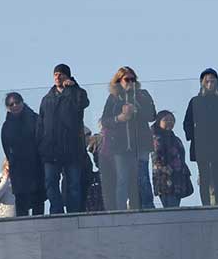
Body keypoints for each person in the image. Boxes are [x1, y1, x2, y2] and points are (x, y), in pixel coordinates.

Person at [100, 66, 156, 210]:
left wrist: (136, 109)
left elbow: (152, 115)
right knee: (122, 179)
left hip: (141, 144)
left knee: (143, 177)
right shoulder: (113, 98)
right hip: (120, 146)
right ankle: (121, 211)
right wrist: (119, 118)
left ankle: (147, 207)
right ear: (119, 81)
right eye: (127, 79)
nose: (130, 82)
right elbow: (105, 121)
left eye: (133, 79)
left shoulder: (142, 95)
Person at [37, 64, 90, 214]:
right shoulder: (47, 99)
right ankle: (57, 211)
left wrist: (73, 87)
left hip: (72, 148)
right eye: (55, 74)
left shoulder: (76, 93)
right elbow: (40, 123)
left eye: (61, 74)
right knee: (50, 182)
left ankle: (74, 213)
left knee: (73, 184)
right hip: (50, 149)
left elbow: (83, 103)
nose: (57, 77)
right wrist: (40, 145)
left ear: (67, 76)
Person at [183, 68, 218, 206]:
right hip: (201, 145)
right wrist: (193, 137)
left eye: (213, 81)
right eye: (207, 81)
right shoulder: (195, 101)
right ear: (202, 83)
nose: (210, 84)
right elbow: (187, 122)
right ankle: (205, 205)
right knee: (204, 176)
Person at [0, 92, 44, 216]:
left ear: (22, 102)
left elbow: (42, 139)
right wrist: (12, 160)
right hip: (18, 168)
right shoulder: (7, 125)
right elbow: (6, 146)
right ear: (8, 107)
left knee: (38, 201)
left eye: (17, 102)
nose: (15, 105)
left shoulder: (35, 119)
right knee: (21, 203)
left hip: (36, 165)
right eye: (11, 104)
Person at [150, 111, 193, 208]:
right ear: (159, 121)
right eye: (166, 120)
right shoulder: (157, 138)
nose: (170, 122)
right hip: (165, 179)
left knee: (175, 206)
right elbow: (156, 157)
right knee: (170, 207)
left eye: (172, 120)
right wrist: (165, 168)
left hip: (178, 179)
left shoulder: (175, 139)